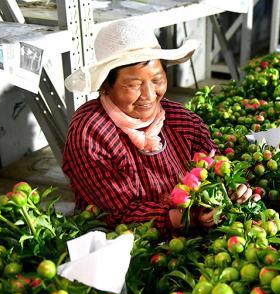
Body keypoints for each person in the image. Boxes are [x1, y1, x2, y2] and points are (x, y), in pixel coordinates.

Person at [62, 20, 254, 233]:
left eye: (157, 79)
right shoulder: (90, 131)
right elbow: (115, 213)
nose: (149, 95)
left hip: (191, 234)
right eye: (133, 85)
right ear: (106, 86)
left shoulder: (182, 121)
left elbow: (216, 165)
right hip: (125, 244)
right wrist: (185, 218)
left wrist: (234, 189)